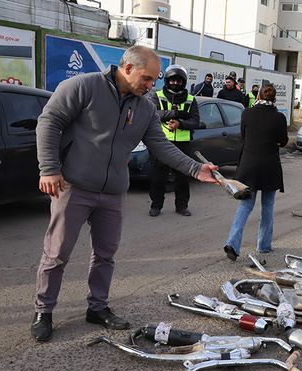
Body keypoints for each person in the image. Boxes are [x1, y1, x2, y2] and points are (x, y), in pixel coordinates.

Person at [31, 46, 219, 342]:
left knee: (105, 255)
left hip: (113, 192)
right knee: (57, 254)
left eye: (154, 80)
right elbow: (49, 122)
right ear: (128, 68)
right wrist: (49, 168)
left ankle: (98, 307)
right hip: (74, 187)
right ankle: (44, 311)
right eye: (148, 78)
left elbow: (161, 146)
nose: (151, 86)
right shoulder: (83, 87)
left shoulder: (144, 107)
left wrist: (196, 169)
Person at [223, 83, 288, 261]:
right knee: (267, 207)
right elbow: (283, 141)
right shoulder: (279, 118)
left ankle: (232, 243)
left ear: (258, 97)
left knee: (244, 206)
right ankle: (264, 246)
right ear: (274, 99)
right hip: (269, 167)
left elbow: (244, 135)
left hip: (248, 166)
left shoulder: (247, 113)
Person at [146, 64, 201, 217]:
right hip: (161, 142)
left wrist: (180, 123)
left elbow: (195, 121)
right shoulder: (156, 96)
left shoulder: (191, 99)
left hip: (183, 144)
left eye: (179, 81)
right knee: (158, 177)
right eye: (172, 80)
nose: (175, 83)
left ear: (183, 82)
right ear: (167, 81)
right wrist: (175, 113)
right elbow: (153, 113)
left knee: (183, 178)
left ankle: (182, 206)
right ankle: (156, 206)